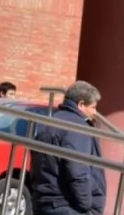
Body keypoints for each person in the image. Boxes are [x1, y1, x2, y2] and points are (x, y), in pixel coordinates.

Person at [31, 81, 106, 215]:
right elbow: (77, 170)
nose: (95, 112)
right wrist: (86, 205)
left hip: (44, 201)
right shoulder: (77, 128)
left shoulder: (50, 122)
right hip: (67, 205)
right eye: (93, 107)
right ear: (81, 104)